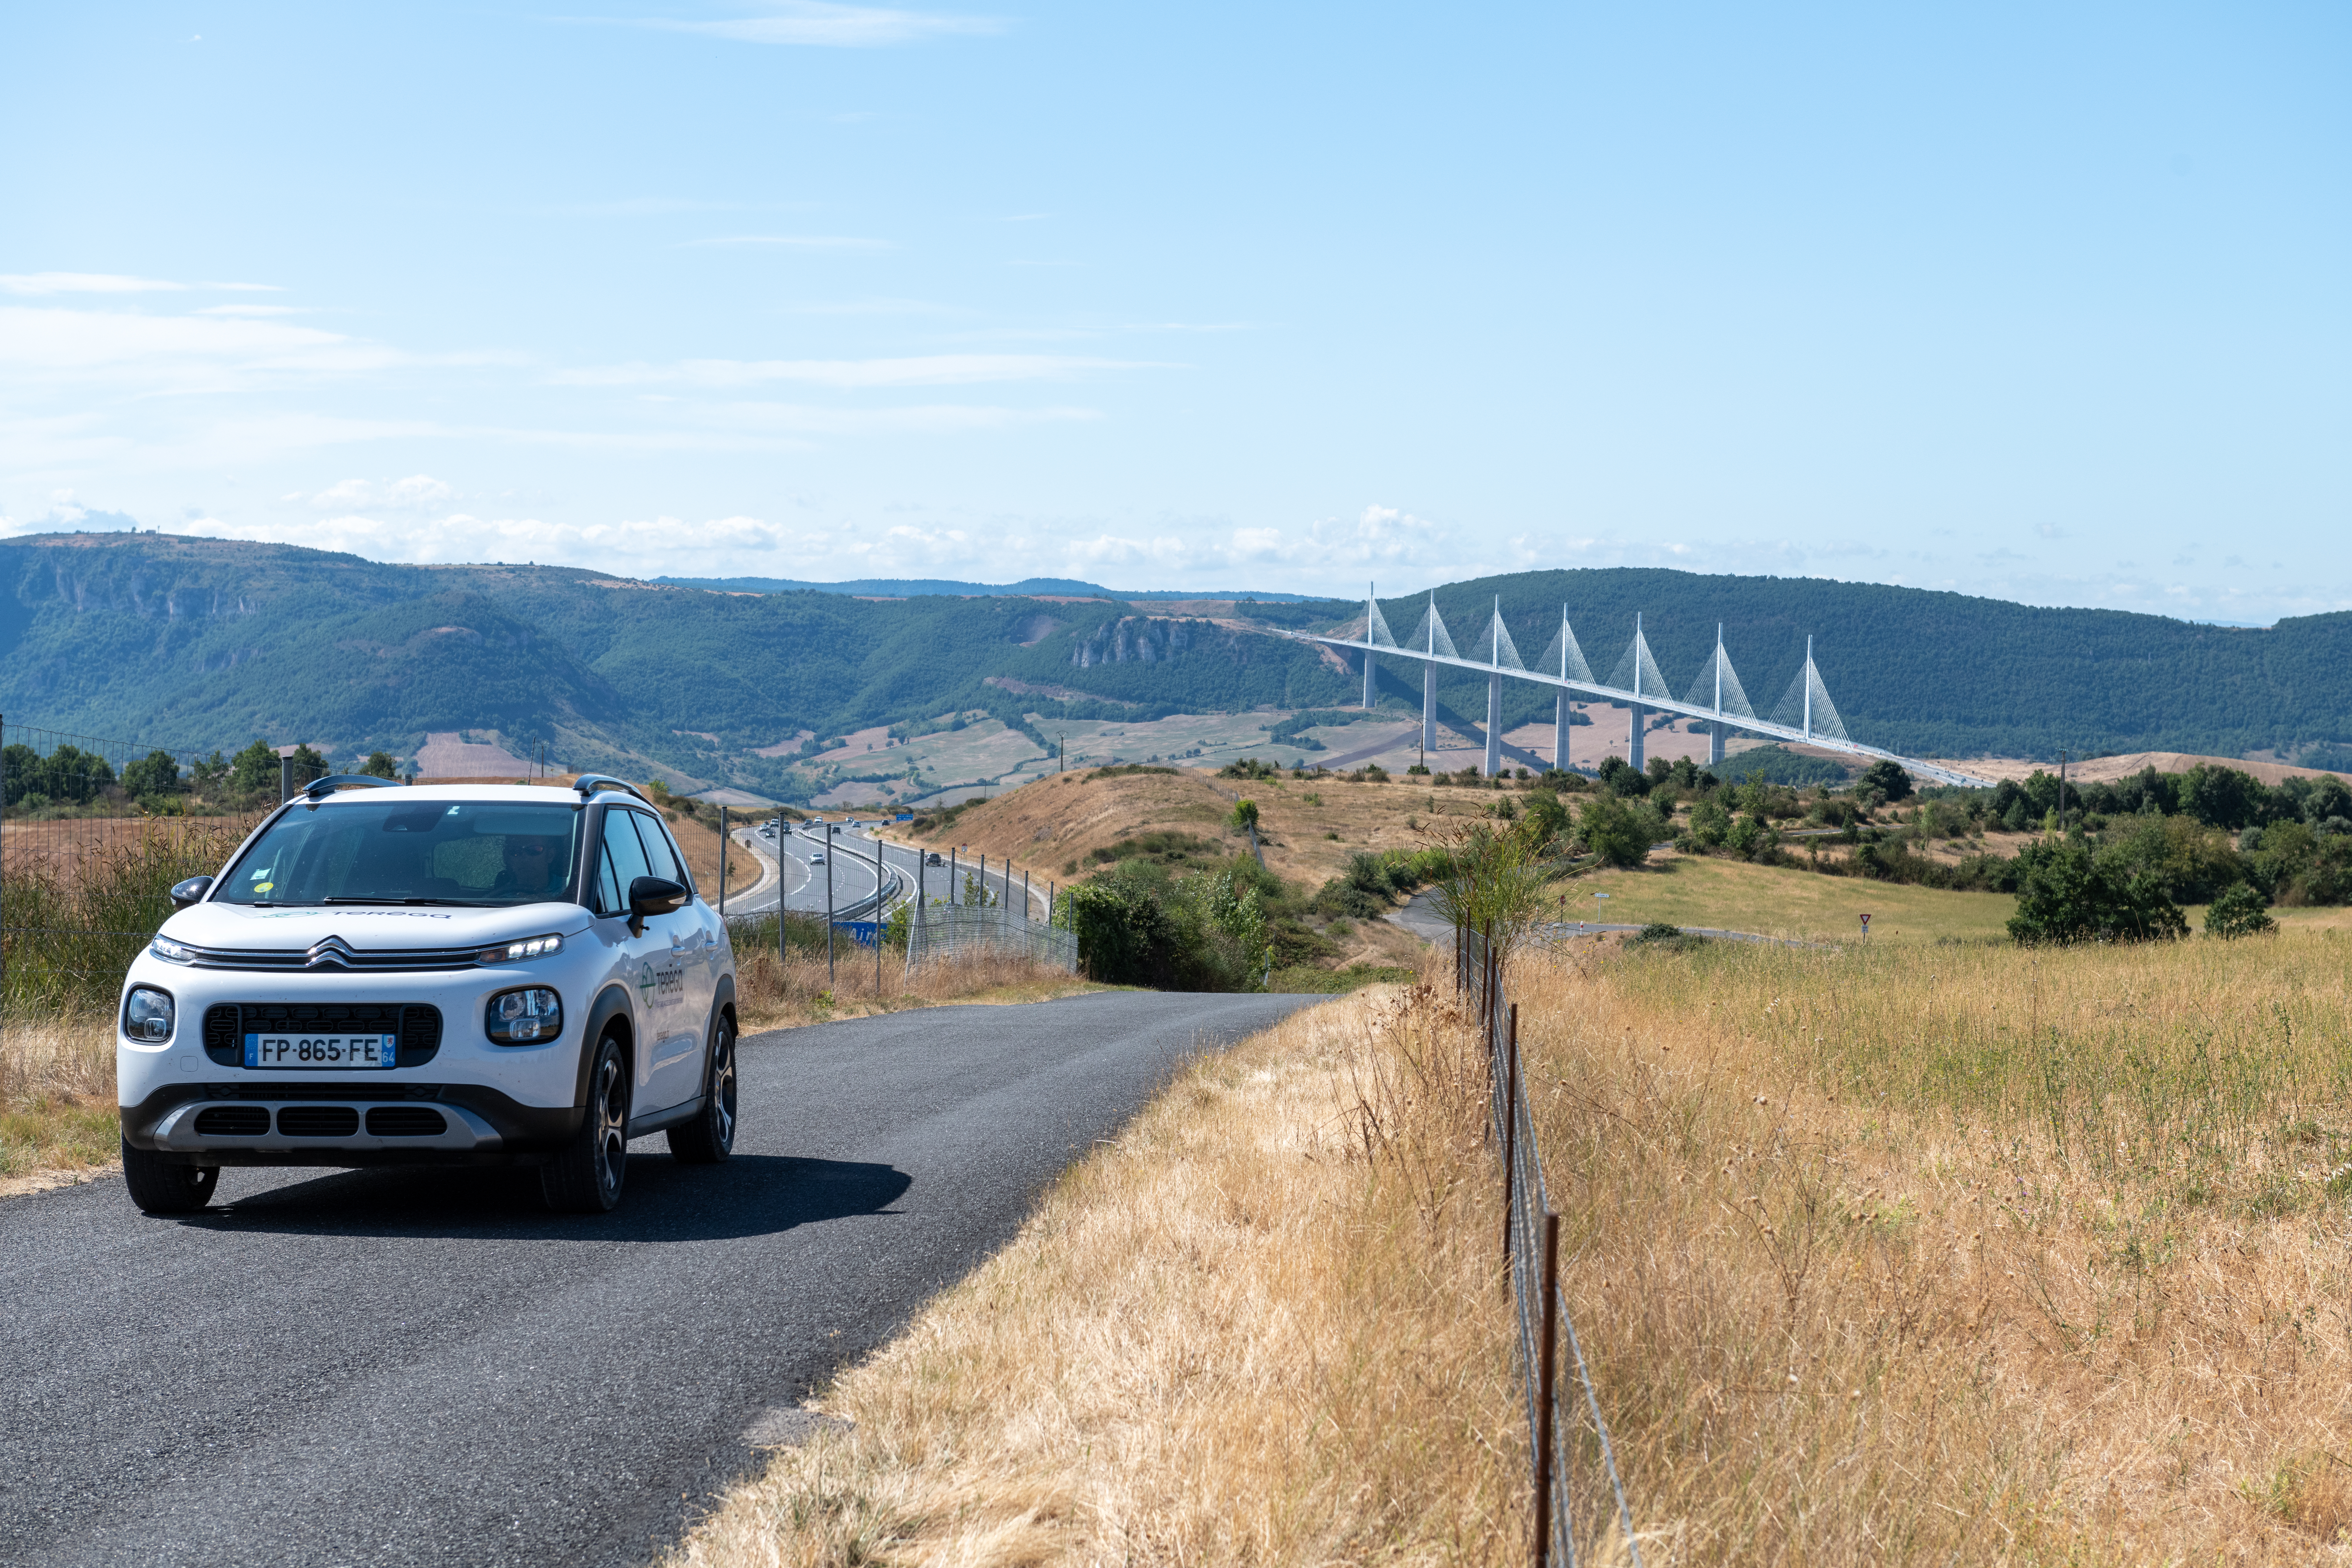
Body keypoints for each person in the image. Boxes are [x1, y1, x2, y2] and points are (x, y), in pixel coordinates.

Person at [493, 834, 564, 900]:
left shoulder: (569, 890)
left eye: (534, 850)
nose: (525, 858)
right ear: (507, 857)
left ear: (550, 855)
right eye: (515, 851)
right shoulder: (495, 900)